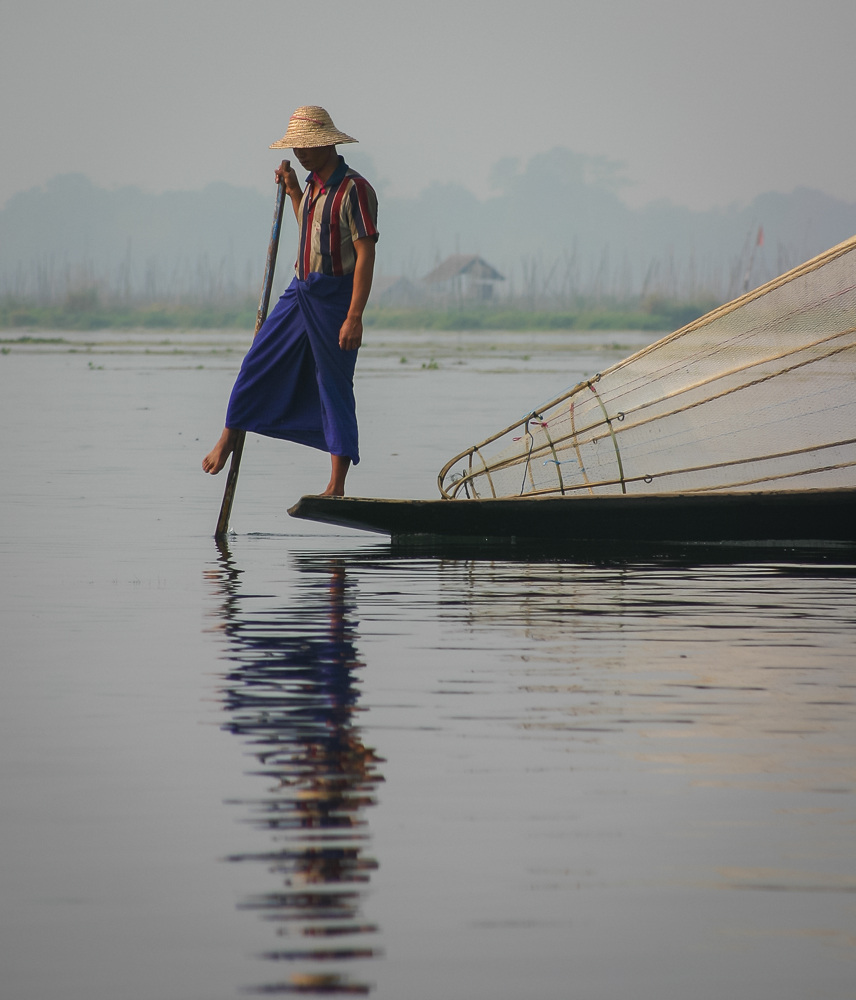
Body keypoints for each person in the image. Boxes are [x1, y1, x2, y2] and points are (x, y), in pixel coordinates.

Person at [202, 106, 378, 496]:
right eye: (297, 147)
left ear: (330, 143)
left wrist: (354, 316)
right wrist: (296, 191)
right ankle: (230, 434)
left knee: (333, 385)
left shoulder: (355, 190)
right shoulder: (313, 185)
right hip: (300, 291)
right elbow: (311, 231)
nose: (301, 153)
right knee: (258, 360)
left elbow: (365, 254)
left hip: (335, 298)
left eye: (308, 146)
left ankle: (336, 485)